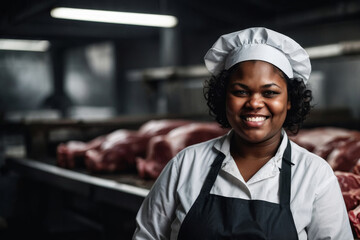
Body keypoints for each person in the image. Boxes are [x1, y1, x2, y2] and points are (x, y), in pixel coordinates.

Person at [132, 27, 353, 239]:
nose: (255, 103)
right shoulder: (186, 165)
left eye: (270, 92)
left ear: (289, 101)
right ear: (223, 98)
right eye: (241, 91)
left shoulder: (315, 175)